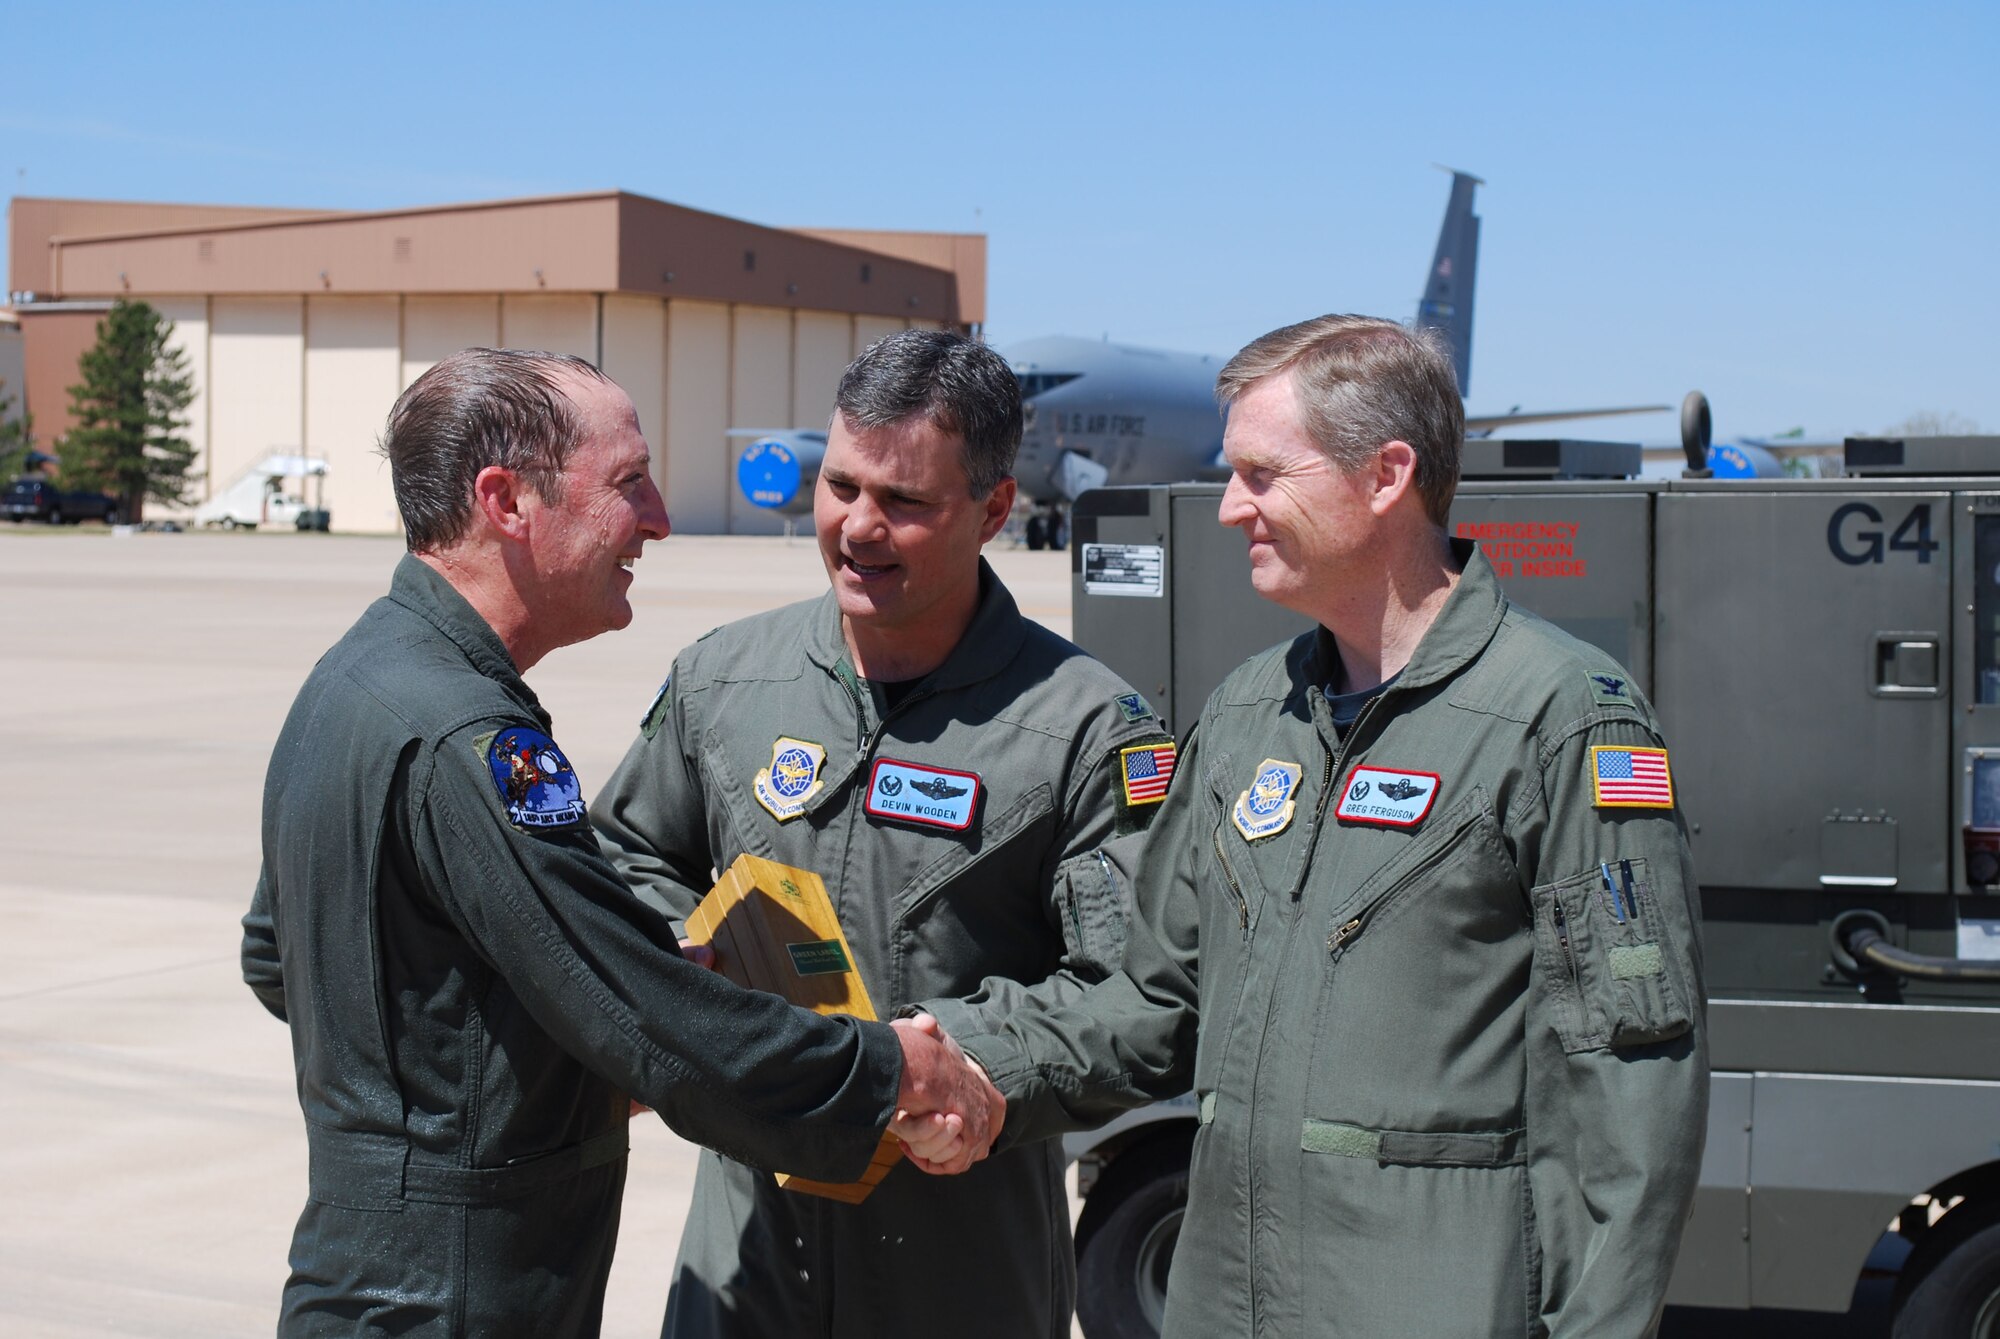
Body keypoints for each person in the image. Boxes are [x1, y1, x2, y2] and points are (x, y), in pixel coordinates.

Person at [945, 315, 1708, 1338]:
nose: (1227, 507)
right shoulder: (1247, 712)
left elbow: (1624, 1096)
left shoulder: (1560, 718)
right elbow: (1151, 1001)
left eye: (1262, 474)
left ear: (1385, 474)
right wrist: (967, 1062)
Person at [238, 348, 997, 1339]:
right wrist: (882, 1071)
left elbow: (279, 956)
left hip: (366, 1278)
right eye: (627, 483)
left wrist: (476, 1075)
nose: (657, 519)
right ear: (507, 501)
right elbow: (640, 1020)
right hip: (463, 1297)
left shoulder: (358, 678)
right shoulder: (473, 742)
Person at [591, 328, 1176, 1338]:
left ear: (994, 508)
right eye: (840, 485)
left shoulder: (1084, 728)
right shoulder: (724, 679)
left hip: (960, 1267)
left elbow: (1141, 994)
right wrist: (687, 968)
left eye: (905, 502)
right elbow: (627, 856)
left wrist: (966, 1065)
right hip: (746, 1257)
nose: (858, 528)